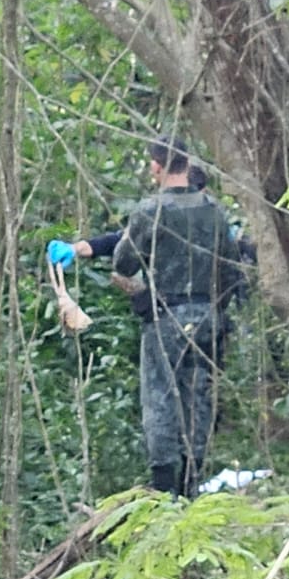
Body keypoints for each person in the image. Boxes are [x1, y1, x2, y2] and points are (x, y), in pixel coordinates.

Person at [50, 137, 241, 496]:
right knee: (197, 397)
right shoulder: (213, 209)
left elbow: (124, 261)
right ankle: (192, 485)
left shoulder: (150, 210)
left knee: (161, 397)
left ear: (157, 166)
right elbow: (230, 266)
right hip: (208, 317)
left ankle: (165, 489)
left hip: (166, 317)